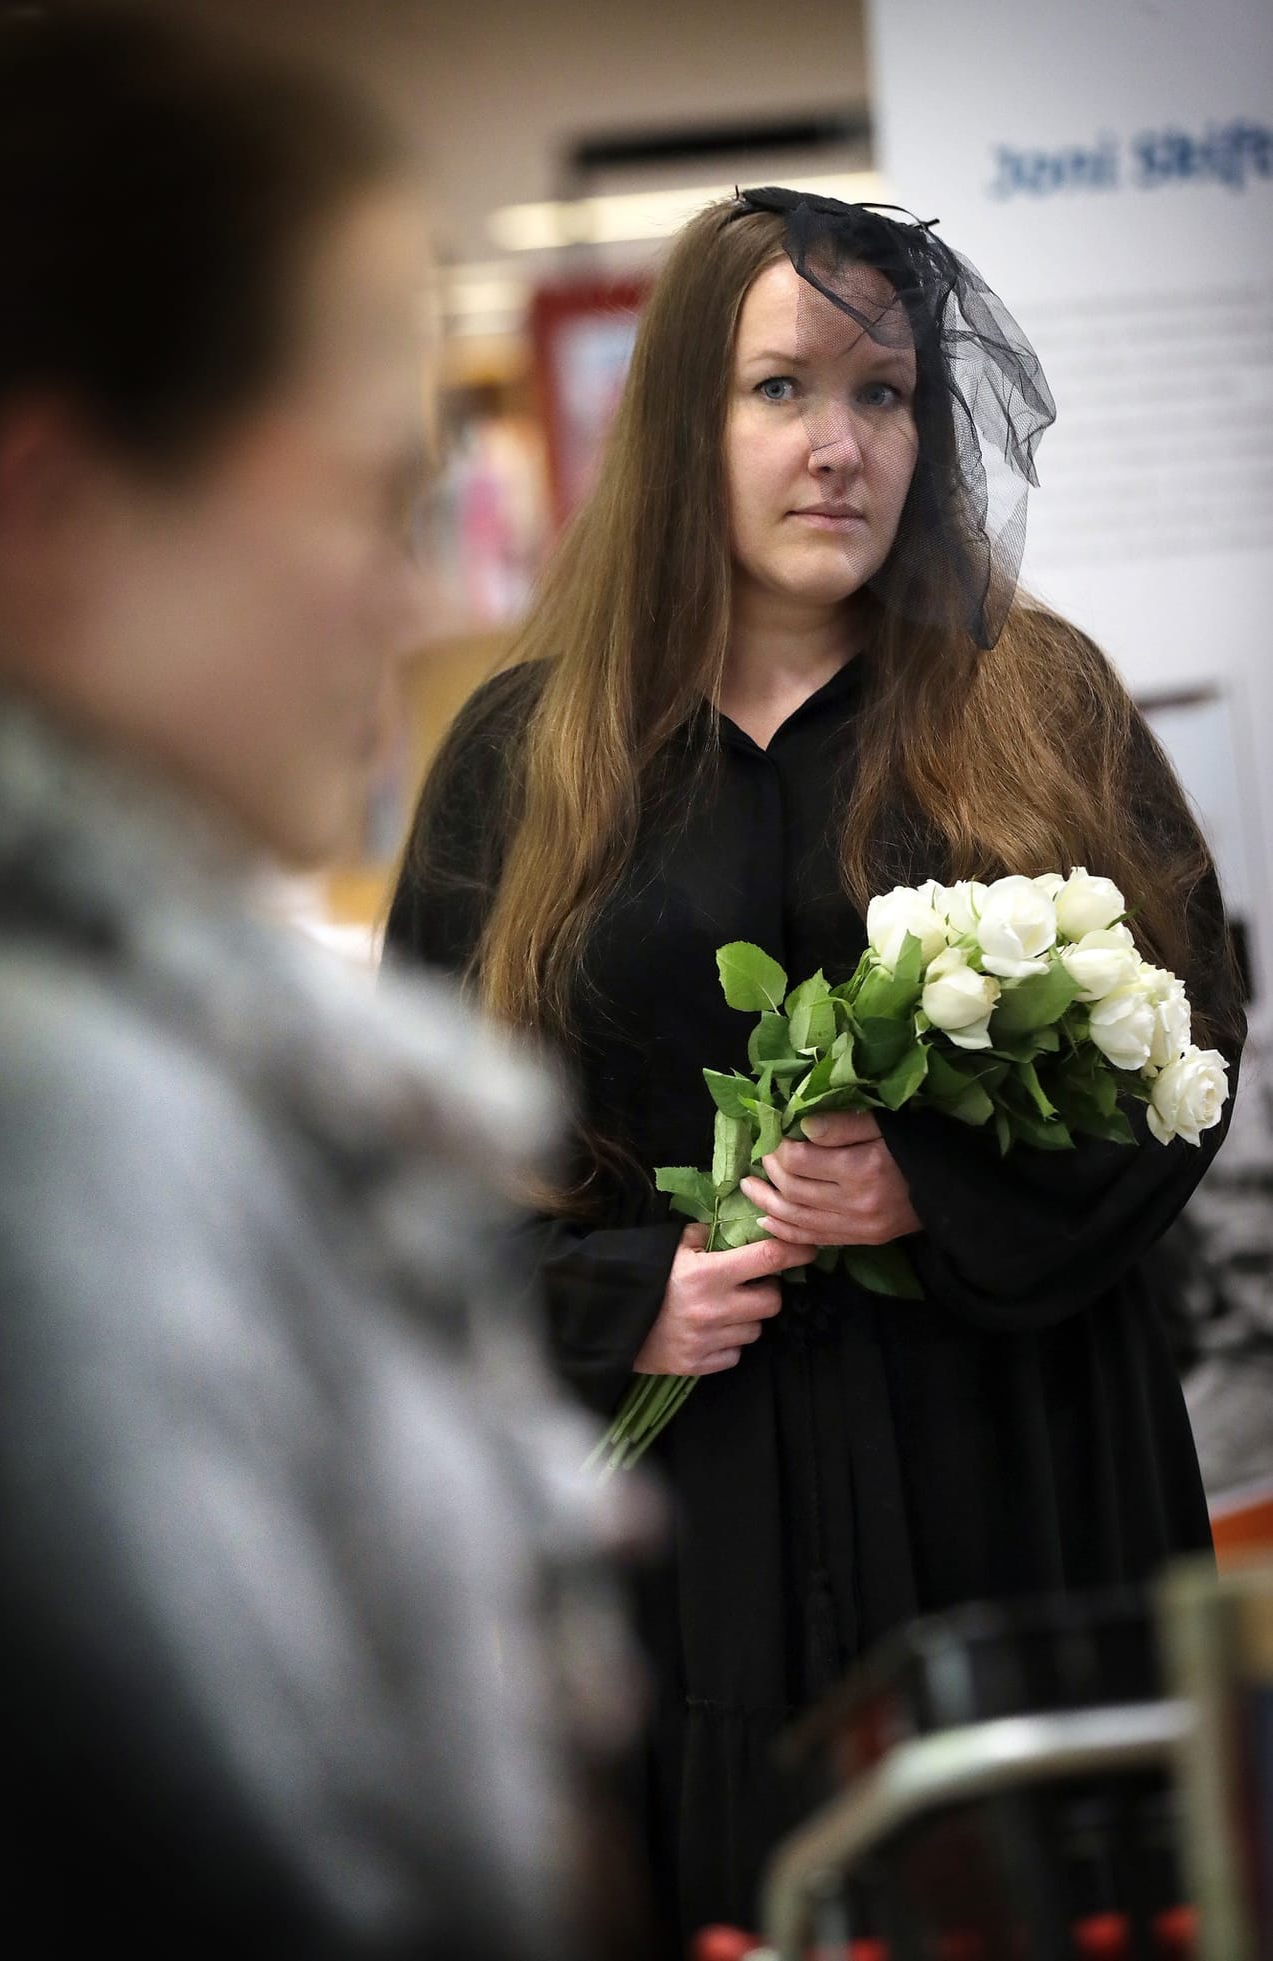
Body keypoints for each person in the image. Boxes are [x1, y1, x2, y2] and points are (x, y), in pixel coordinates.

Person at [383, 188, 1246, 1949]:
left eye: (883, 395)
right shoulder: (525, 757)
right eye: (780, 390)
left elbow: (1193, 1046)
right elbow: (399, 1155)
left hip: (1010, 1466)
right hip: (690, 1523)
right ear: (683, 417)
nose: (837, 447)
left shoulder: (1038, 705)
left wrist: (933, 1184)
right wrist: (622, 1298)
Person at [0, 7, 637, 1955]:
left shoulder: (154, 1055)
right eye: (372, 498)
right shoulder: (63, 1128)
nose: (423, 594)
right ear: (53, 511)